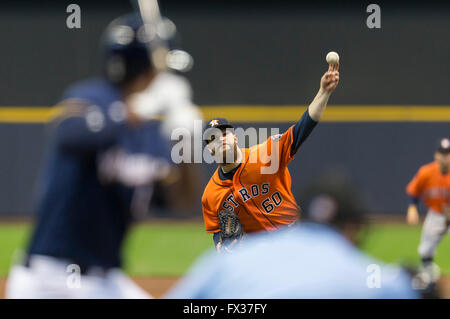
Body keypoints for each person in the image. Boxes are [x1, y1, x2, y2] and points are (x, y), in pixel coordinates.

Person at [6, 13, 197, 299]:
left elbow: (180, 200)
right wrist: (137, 109)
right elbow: (68, 131)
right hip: (49, 281)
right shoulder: (92, 98)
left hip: (105, 281)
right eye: (159, 68)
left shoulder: (149, 133)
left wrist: (187, 145)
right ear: (142, 66)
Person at [166, 174, 419, 298]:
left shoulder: (228, 262)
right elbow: (411, 286)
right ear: (353, 228)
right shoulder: (367, 276)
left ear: (299, 218)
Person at [201, 61, 339, 252]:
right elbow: (219, 235)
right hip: (263, 256)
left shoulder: (266, 154)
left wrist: (323, 92)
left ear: (235, 137)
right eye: (213, 138)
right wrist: (223, 247)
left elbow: (303, 127)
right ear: (210, 150)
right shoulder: (211, 195)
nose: (221, 139)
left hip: (297, 240)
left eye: (225, 134)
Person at [406, 137, 450, 284]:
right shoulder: (426, 172)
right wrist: (412, 207)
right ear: (436, 155)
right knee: (425, 250)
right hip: (436, 214)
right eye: (442, 153)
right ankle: (430, 278)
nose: (445, 156)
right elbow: (414, 191)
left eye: (448, 153)